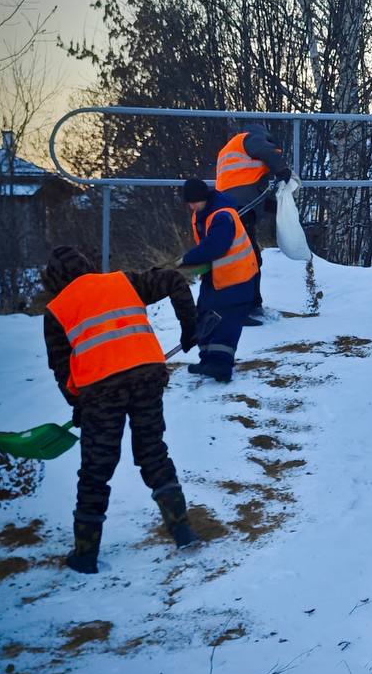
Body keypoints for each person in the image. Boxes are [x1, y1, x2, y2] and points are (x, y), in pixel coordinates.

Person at [41, 246, 201, 574]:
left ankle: (85, 555)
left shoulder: (55, 311)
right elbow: (174, 280)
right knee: (152, 452)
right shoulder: (122, 281)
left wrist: (78, 403)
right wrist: (190, 328)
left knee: (96, 471)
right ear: (87, 265)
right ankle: (182, 530)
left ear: (53, 280)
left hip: (100, 393)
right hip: (147, 377)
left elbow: (63, 370)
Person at [181, 177, 260, 383]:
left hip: (238, 277)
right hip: (218, 276)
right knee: (205, 313)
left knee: (226, 320)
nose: (191, 206)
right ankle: (208, 360)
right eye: (189, 203)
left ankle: (221, 366)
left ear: (204, 198)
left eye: (194, 202)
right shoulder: (204, 212)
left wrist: (187, 259)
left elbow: (216, 246)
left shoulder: (222, 216)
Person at [213, 123, 292, 324]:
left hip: (232, 207)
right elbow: (266, 152)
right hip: (238, 209)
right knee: (245, 260)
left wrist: (276, 207)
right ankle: (240, 309)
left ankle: (253, 304)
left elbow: (247, 188)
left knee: (251, 258)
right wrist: (282, 170)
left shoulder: (234, 153)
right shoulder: (250, 139)